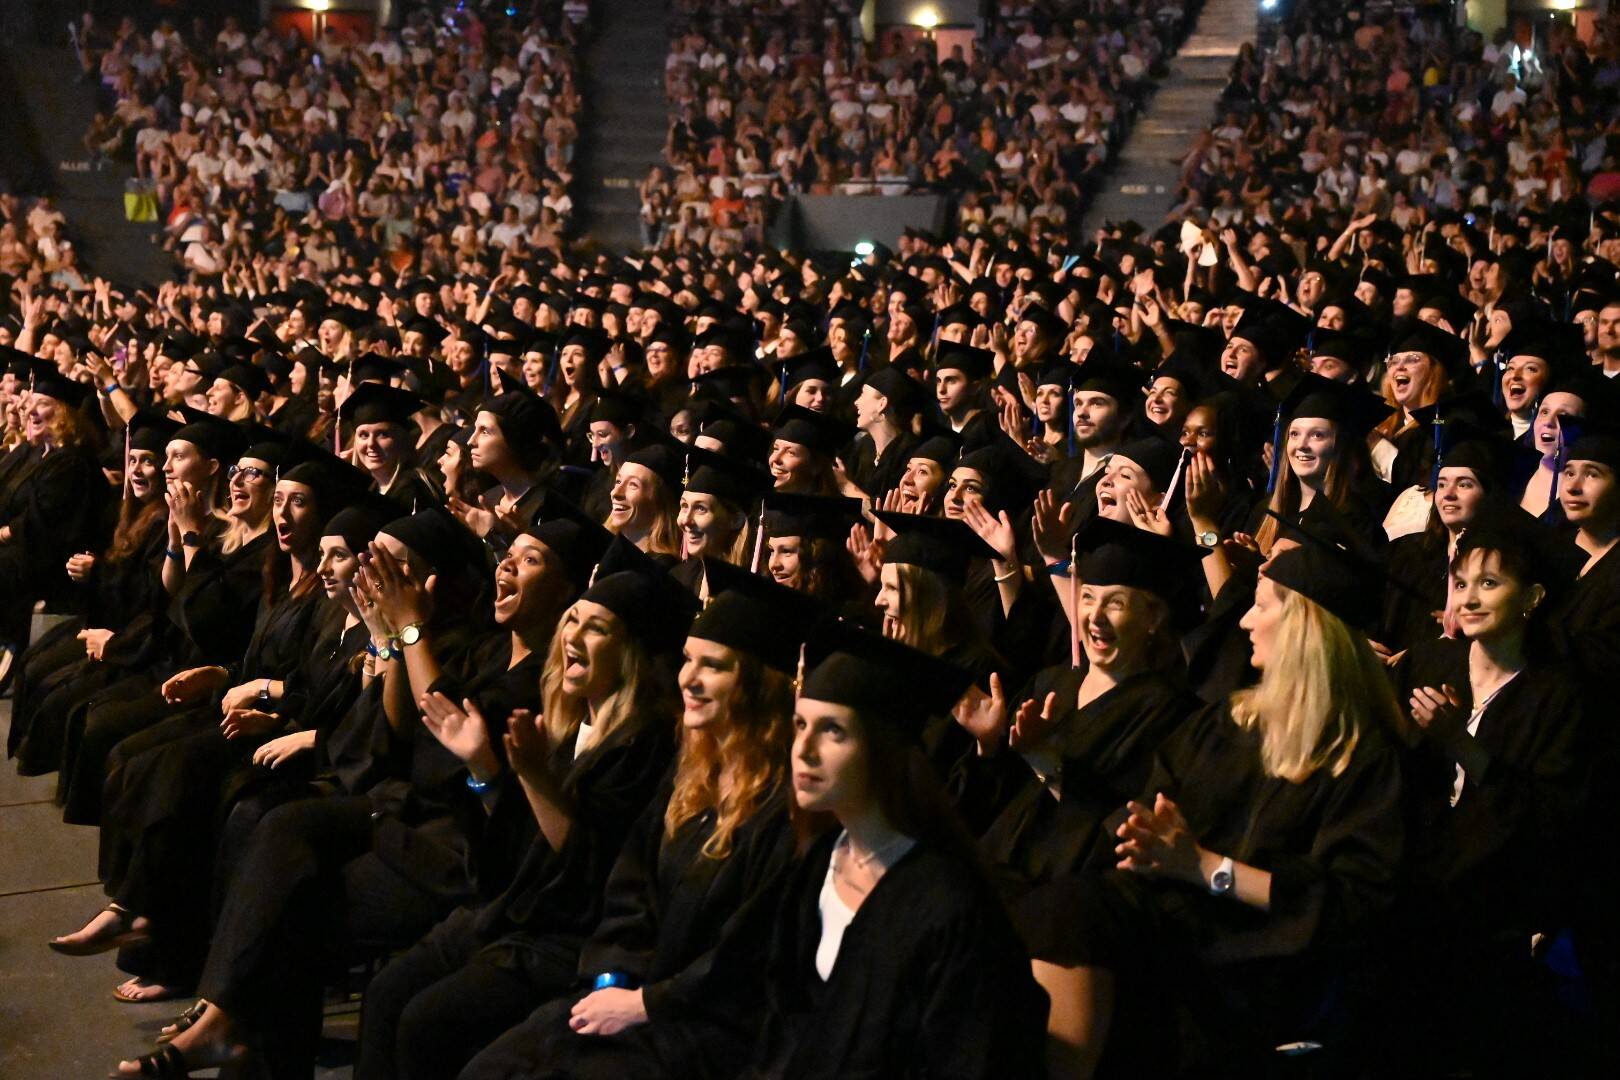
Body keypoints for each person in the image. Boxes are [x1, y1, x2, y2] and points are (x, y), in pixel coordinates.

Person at [1024, 526, 1407, 1076]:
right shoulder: (1223, 723)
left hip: (1255, 969)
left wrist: (1204, 867)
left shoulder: (1364, 759)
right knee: (1056, 908)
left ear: (1304, 629)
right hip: (1172, 928)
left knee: (1078, 918)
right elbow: (1149, 815)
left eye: (1260, 607)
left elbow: (1350, 907)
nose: (1246, 621)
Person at [458, 584, 806, 1079]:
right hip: (637, 990)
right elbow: (631, 888)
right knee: (492, 1068)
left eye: (715, 666)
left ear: (757, 685)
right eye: (688, 659)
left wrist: (643, 1003)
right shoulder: (691, 771)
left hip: (711, 1023)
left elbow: (745, 955)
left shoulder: (783, 806)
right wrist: (610, 976)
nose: (690, 679)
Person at [746, 631, 1049, 1077]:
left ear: (883, 750)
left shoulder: (949, 908)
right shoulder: (822, 862)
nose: (803, 751)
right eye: (800, 725)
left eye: (833, 731)